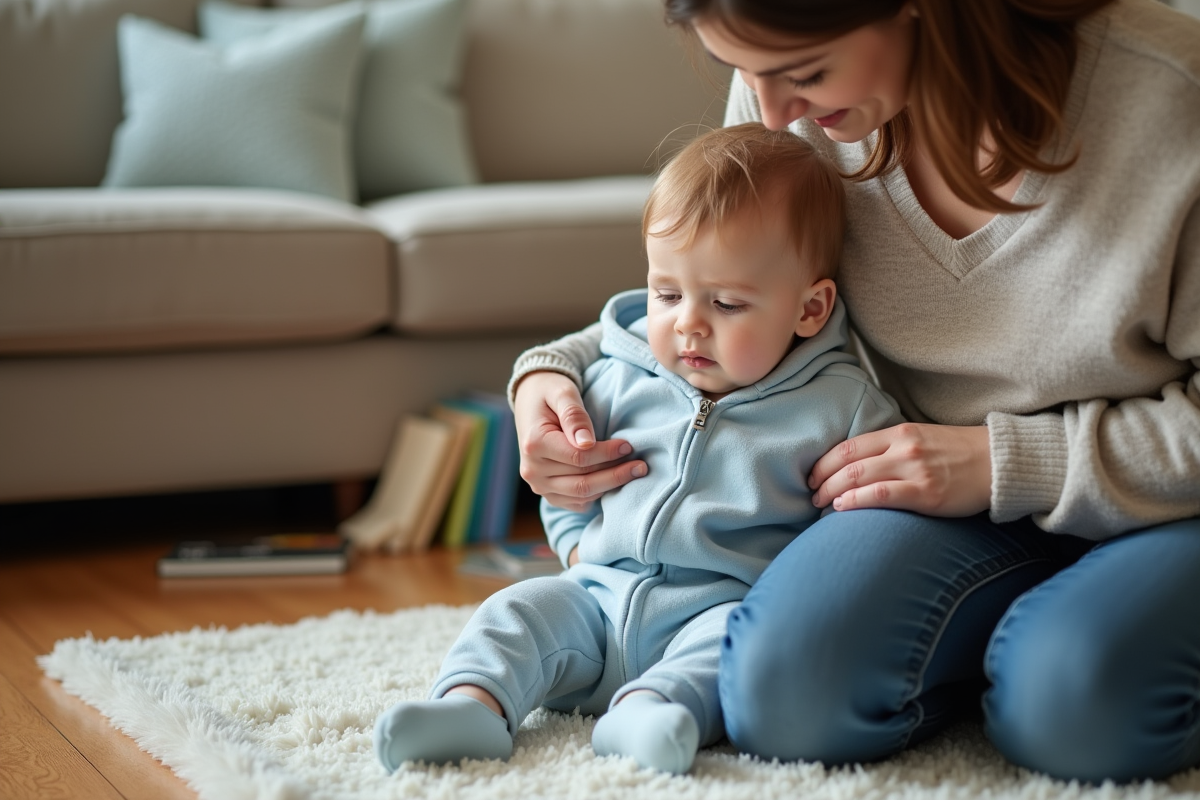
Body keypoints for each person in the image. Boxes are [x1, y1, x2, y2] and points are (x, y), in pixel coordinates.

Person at [508, 0, 1200, 785]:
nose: (772, 113)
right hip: (942, 502)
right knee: (782, 697)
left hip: (1170, 506)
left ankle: (1057, 655)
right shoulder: (795, 113)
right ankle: (1025, 643)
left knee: (1077, 710)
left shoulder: (1173, 95)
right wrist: (548, 372)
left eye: (804, 72)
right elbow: (705, 300)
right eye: (746, 71)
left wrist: (1003, 462)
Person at [373, 123, 903, 775]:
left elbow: (858, 539)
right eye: (667, 293)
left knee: (727, 646)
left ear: (810, 309)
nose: (688, 323)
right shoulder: (617, 377)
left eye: (728, 302)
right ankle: (470, 706)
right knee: (516, 610)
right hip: (594, 601)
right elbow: (573, 478)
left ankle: (649, 712)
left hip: (720, 608)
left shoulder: (843, 408)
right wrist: (571, 545)